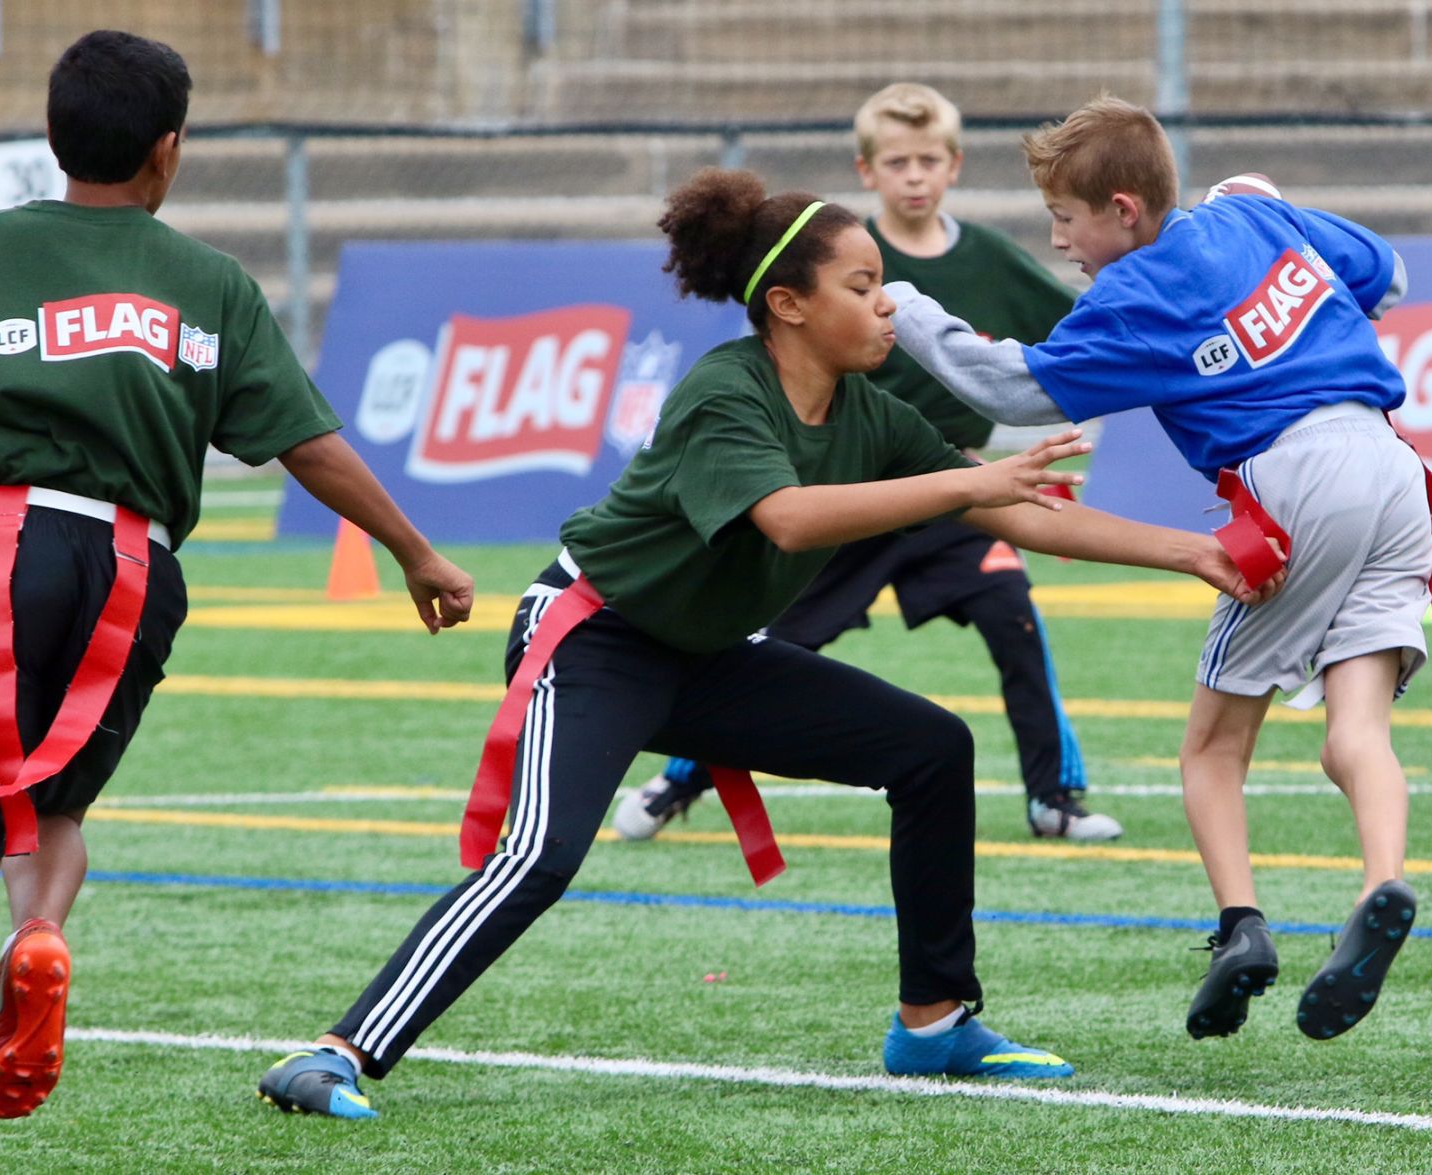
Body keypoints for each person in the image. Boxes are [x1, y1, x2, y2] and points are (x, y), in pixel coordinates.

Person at [256, 167, 1280, 1117]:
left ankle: (933, 1022)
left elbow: (1023, 515)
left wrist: (1192, 551)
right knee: (541, 855)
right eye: (863, 283)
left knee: (929, 748)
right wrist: (972, 478)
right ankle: (335, 1051)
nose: (886, 303)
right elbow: (788, 518)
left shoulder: (866, 408)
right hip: (593, 638)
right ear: (788, 304)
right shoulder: (725, 389)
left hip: (701, 653)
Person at [0, 29, 475, 1165]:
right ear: (168, 151)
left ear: (53, 138)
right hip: (138, 570)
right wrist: (415, 552)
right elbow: (307, 443)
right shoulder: (211, 284)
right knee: (53, 810)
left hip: (2, 540)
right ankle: (40, 935)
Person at [884, 96, 1432, 1044]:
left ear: (1122, 209)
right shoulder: (1247, 214)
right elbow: (1387, 276)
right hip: (1395, 470)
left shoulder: (1129, 297)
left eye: (1064, 218)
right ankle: (1381, 879)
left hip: (1293, 479)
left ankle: (1241, 927)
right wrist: (1278, 250)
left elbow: (1007, 390)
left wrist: (901, 302)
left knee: (1210, 747)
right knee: (1356, 730)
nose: (1058, 239)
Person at [622, 82, 1122, 845]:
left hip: (953, 482)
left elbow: (1070, 334)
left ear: (953, 166)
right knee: (778, 644)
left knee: (1012, 616)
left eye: (928, 159)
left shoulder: (987, 256)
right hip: (847, 497)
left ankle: (1054, 796)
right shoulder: (836, 253)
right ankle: (678, 778)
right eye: (897, 161)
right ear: (867, 172)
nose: (914, 175)